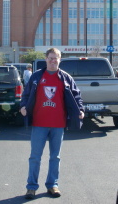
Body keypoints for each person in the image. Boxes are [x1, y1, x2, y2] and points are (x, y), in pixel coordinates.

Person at [20, 48, 84, 199]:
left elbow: (77, 95)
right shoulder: (36, 77)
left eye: (56, 58)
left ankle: (53, 185)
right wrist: (23, 106)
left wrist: (80, 109)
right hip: (39, 123)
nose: (53, 61)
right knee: (35, 157)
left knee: (55, 157)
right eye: (50, 58)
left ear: (60, 59)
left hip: (58, 124)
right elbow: (26, 94)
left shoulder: (66, 78)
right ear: (46, 59)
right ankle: (31, 187)